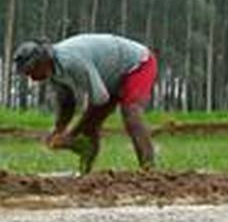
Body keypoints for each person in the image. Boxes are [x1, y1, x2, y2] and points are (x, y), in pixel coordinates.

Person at [13, 33, 158, 174]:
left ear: (42, 61)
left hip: (138, 64)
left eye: (32, 71)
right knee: (89, 128)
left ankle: (149, 170)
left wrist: (72, 133)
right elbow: (67, 103)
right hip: (113, 75)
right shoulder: (53, 71)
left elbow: (100, 101)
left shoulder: (72, 61)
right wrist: (59, 129)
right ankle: (86, 174)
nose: (31, 78)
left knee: (131, 113)